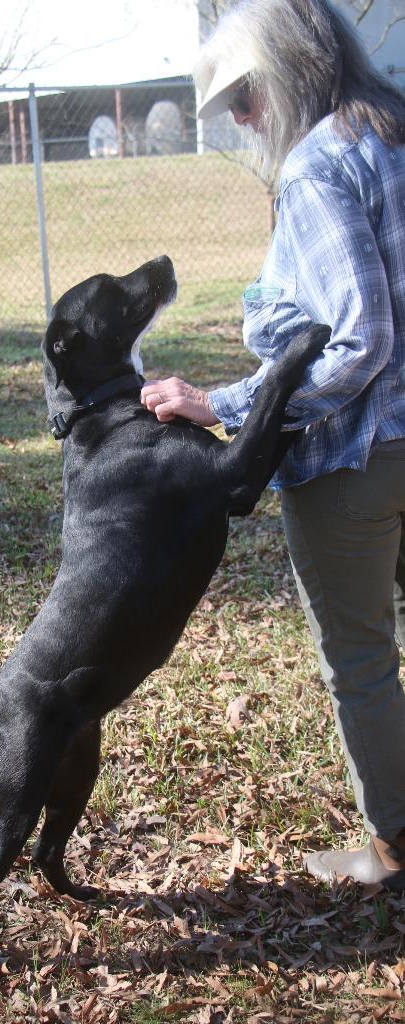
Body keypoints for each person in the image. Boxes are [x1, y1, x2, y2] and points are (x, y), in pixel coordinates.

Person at [141, 0, 405, 889]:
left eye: (245, 98)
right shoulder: (397, 134)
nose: (244, 120)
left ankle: (395, 849)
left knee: (361, 656)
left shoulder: (317, 166)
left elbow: (359, 339)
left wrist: (220, 401)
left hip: (354, 460)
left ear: (288, 72)